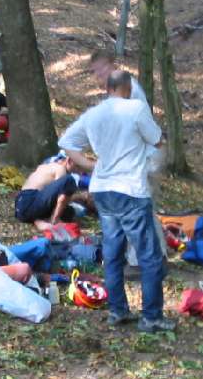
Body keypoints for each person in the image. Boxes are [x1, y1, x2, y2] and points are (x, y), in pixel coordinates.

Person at [59, 70, 174, 333]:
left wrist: (91, 164)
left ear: (108, 88)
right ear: (128, 88)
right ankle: (151, 317)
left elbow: (66, 142)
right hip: (130, 189)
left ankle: (118, 310)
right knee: (149, 255)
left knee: (112, 253)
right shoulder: (135, 109)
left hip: (103, 190)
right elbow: (157, 140)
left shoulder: (94, 113)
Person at [88, 49, 169, 259]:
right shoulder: (118, 91)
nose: (98, 76)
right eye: (94, 72)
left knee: (136, 208)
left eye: (100, 70)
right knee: (140, 208)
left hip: (145, 156)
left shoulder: (129, 90)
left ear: (111, 66)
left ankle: (141, 260)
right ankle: (154, 255)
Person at [15, 155, 79, 230]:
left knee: (69, 211)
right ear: (69, 160)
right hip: (30, 201)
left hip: (20, 207)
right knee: (69, 180)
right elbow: (60, 197)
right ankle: (53, 220)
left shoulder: (45, 166)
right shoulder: (61, 169)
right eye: (77, 166)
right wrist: (81, 197)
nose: (78, 170)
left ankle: (36, 219)